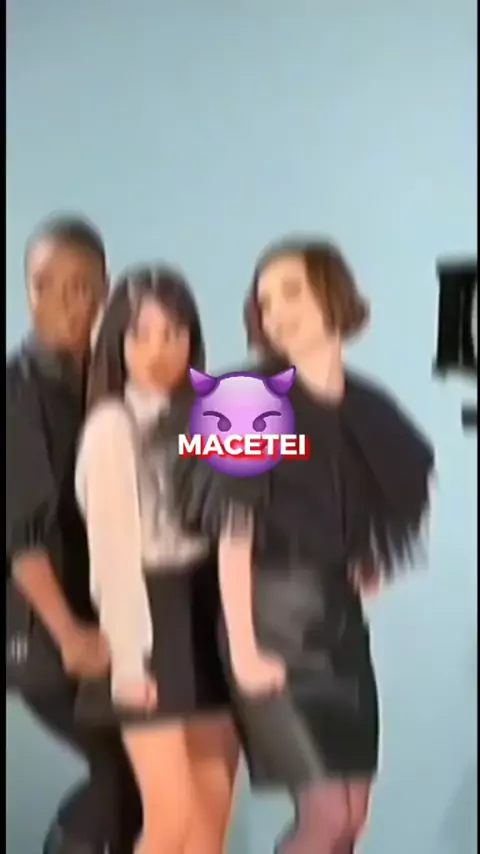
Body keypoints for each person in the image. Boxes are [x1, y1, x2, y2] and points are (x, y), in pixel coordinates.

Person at [175, 236, 435, 853]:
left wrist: (363, 560)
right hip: (271, 624)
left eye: (291, 292)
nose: (276, 310)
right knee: (326, 816)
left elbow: (382, 496)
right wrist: (244, 649)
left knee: (352, 818)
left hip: (339, 629)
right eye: (265, 300)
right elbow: (232, 534)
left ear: (331, 294)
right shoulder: (246, 398)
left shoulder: (368, 408)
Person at [74, 265, 239, 854]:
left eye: (175, 333)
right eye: (141, 334)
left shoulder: (212, 419)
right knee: (170, 822)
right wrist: (127, 661)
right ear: (116, 343)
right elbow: (113, 555)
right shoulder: (111, 427)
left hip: (207, 618)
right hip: (148, 622)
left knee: (210, 826)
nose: (159, 350)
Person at [6, 215, 141, 854]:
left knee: (147, 782)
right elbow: (19, 534)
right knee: (124, 772)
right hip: (39, 634)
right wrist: (68, 634)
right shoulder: (17, 394)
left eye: (78, 287)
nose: (59, 302)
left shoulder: (108, 387)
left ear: (102, 293)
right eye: (43, 285)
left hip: (97, 623)